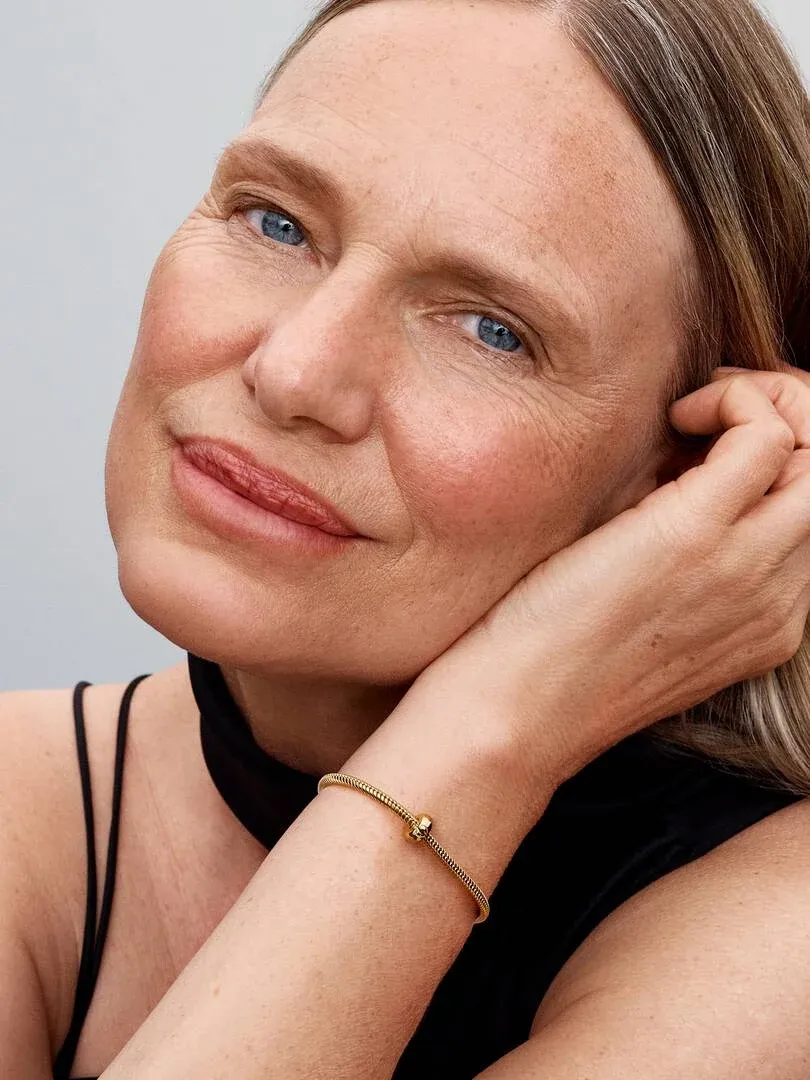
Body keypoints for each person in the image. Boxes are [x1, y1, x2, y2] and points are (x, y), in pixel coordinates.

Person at [1, 0, 809, 1077]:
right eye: (275, 221)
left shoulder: (779, 942)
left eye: (492, 330)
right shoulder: (27, 802)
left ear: (691, 472)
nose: (294, 373)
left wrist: (500, 721)